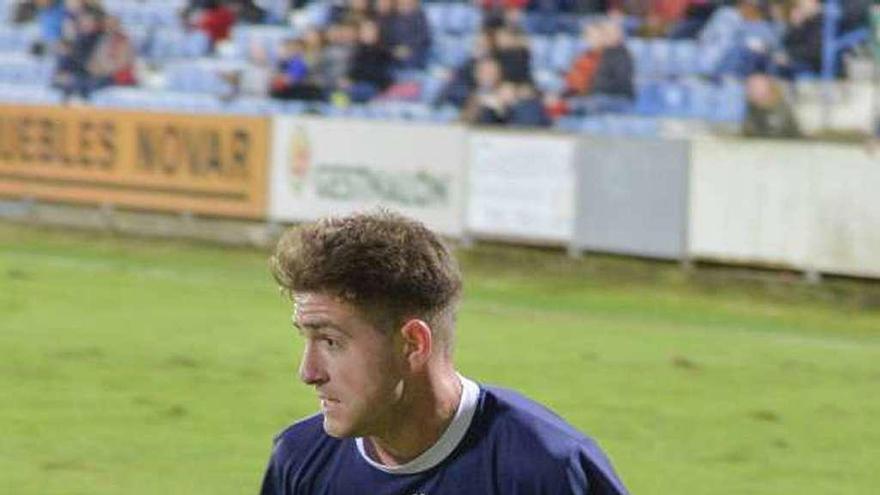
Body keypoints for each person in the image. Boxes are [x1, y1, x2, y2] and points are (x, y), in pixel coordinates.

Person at [260, 210, 629, 495]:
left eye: (330, 342)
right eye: (305, 338)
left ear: (413, 344)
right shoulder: (300, 459)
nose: (308, 372)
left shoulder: (544, 468)